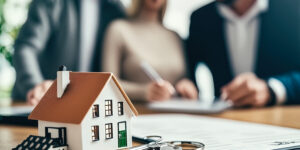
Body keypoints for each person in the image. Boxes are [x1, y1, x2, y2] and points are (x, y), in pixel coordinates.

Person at [187, 0, 300, 107]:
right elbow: (188, 75)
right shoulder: (200, 19)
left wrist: (271, 89)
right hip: (226, 120)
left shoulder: (294, 9)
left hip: (282, 118)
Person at [12, 0, 125, 105]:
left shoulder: (115, 9)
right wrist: (36, 85)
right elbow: (26, 47)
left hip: (86, 107)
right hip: (36, 104)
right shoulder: (52, 2)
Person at [102, 0, 198, 102]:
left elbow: (185, 78)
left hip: (177, 113)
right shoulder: (118, 30)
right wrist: (143, 92)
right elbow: (108, 84)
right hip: (140, 114)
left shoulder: (175, 37)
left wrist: (186, 86)